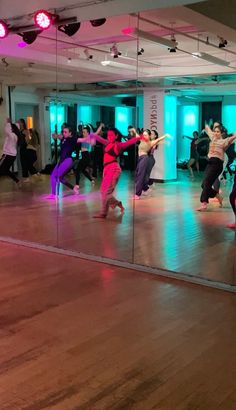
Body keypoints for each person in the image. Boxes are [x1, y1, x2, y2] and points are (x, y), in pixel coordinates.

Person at [78, 125, 146, 218]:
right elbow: (98, 137)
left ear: (116, 136)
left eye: (111, 135)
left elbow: (130, 142)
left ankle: (108, 209)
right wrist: (92, 135)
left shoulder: (118, 145)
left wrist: (139, 137)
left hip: (113, 169)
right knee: (103, 191)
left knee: (106, 192)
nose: (109, 137)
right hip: (106, 168)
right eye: (108, 135)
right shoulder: (107, 143)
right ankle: (109, 209)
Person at [197, 125, 236, 211]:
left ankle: (204, 203)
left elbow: (232, 138)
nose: (216, 133)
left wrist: (234, 134)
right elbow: (208, 130)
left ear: (221, 133)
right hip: (210, 163)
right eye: (215, 131)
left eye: (218, 132)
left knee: (207, 182)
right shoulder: (213, 138)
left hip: (217, 164)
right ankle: (218, 196)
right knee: (204, 185)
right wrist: (207, 126)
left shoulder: (224, 141)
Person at [134, 129, 170, 199]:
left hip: (148, 158)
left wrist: (165, 137)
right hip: (144, 158)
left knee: (144, 175)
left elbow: (158, 140)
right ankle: (145, 188)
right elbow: (138, 136)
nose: (152, 134)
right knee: (140, 174)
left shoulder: (152, 142)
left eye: (153, 134)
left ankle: (141, 191)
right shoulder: (144, 140)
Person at [49, 126, 78, 198]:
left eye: (65, 132)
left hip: (68, 160)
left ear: (70, 133)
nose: (64, 133)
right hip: (61, 160)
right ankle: (72, 188)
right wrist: (55, 136)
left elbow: (81, 139)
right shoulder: (63, 139)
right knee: (54, 176)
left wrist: (89, 138)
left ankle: (55, 194)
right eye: (63, 132)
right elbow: (58, 136)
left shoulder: (72, 139)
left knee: (58, 176)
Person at [0, 119, 21, 185]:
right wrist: (17, 124)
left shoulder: (11, 135)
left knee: (2, 169)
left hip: (8, 155)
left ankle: (17, 180)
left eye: (10, 128)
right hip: (12, 155)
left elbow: (7, 130)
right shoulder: (15, 136)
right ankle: (17, 180)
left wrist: (8, 123)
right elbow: (15, 128)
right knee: (5, 169)